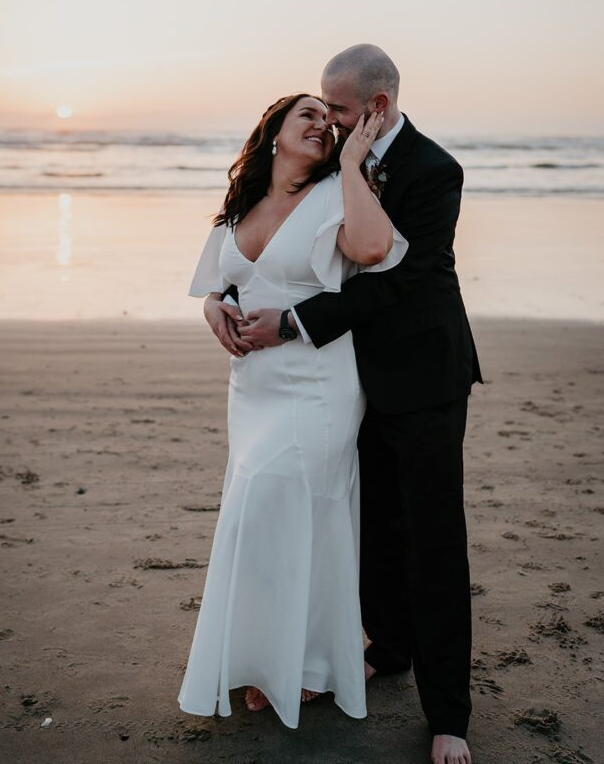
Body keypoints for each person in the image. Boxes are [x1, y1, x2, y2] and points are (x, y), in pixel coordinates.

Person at [227, 44, 483, 764]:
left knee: (432, 541)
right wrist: (227, 299)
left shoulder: (435, 172)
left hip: (423, 377)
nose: (328, 120)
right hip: (343, 381)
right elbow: (272, 241)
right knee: (370, 526)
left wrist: (294, 326)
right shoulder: (325, 167)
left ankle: (447, 716)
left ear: (374, 105)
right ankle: (389, 647)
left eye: (336, 108)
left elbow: (397, 280)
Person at [178, 92, 409, 729]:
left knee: (294, 503)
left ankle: (306, 662)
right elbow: (218, 283)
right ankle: (259, 654)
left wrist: (356, 163)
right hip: (252, 385)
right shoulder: (239, 205)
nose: (320, 124)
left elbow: (369, 250)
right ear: (273, 132)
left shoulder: (338, 192)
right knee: (260, 512)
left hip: (318, 380)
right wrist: (212, 309)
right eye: (304, 114)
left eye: (326, 119)